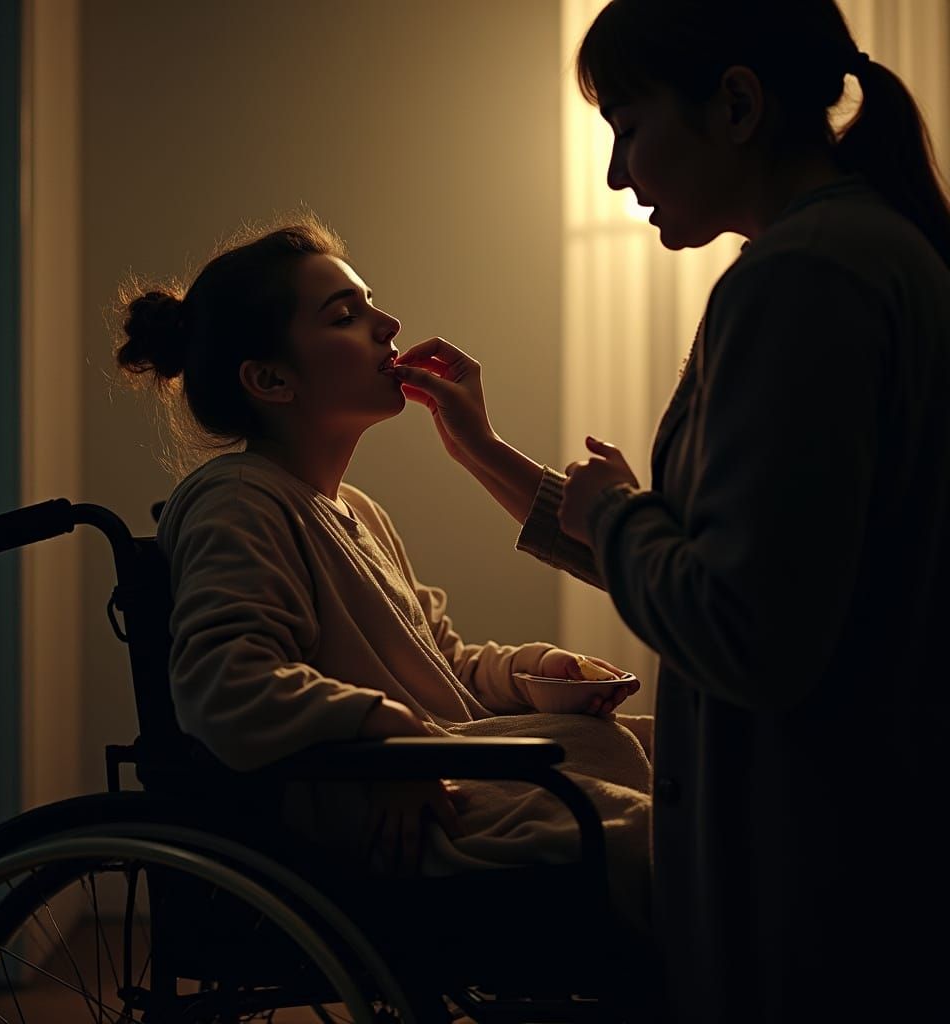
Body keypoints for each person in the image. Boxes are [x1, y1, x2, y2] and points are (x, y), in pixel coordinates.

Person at [390, 1, 950, 1020]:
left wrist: (619, 516)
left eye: (629, 126)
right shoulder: (870, 253)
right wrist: (493, 456)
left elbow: (739, 626)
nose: (615, 173)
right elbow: (741, 565)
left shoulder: (801, 282)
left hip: (809, 874)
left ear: (735, 104)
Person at [113, 213, 655, 934]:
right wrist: (385, 730)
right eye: (347, 315)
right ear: (271, 379)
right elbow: (224, 682)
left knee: (663, 748)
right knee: (665, 833)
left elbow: (442, 663)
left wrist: (533, 672)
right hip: (374, 813)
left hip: (432, 763)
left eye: (371, 304)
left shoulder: (356, 512)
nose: (389, 322)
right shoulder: (237, 501)